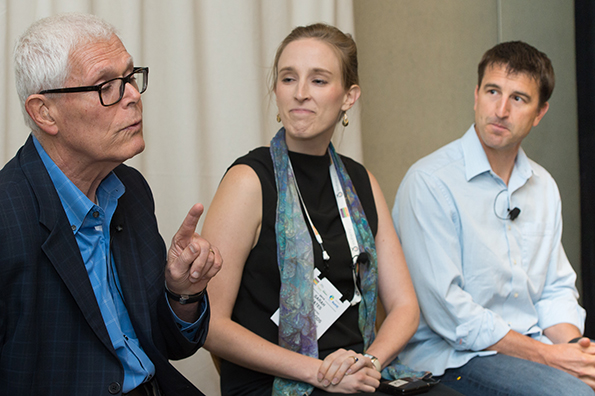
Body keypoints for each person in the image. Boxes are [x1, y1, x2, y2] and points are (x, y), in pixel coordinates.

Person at [201, 23, 461, 396]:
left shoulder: (361, 181)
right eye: (289, 78)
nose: (301, 94)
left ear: (348, 96)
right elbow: (211, 325)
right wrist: (318, 372)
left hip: (355, 374)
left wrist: (370, 362)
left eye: (319, 81)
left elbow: (405, 306)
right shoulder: (249, 181)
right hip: (274, 381)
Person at [0, 13, 222, 396]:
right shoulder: (8, 216)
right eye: (107, 86)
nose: (133, 96)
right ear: (44, 112)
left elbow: (168, 346)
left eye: (130, 78)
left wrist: (182, 291)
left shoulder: (129, 190)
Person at [393, 40, 595, 395]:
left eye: (518, 98)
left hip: (532, 348)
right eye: (492, 91)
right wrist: (549, 358)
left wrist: (577, 351)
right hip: (456, 357)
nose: (500, 110)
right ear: (476, 95)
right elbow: (450, 314)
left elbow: (555, 289)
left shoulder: (543, 186)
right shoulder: (429, 182)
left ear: (540, 113)